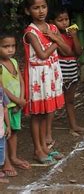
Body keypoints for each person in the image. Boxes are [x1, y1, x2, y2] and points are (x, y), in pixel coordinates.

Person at [23, 0, 69, 164]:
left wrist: (57, 39)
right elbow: (42, 55)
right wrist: (56, 41)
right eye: (36, 8)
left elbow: (67, 50)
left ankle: (45, 147)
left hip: (51, 74)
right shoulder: (30, 32)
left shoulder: (52, 28)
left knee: (47, 112)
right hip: (38, 77)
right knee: (37, 114)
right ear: (28, 11)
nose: (41, 11)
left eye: (43, 7)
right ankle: (37, 150)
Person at [51, 8, 84, 134]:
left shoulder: (70, 35)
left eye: (66, 19)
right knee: (53, 102)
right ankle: (47, 131)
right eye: (60, 20)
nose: (64, 23)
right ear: (53, 22)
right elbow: (65, 52)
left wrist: (75, 36)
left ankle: (73, 125)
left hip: (72, 72)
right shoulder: (53, 36)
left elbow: (78, 52)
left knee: (70, 100)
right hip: (59, 72)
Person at [0, 31, 30, 176]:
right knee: (4, 133)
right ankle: (6, 162)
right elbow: (2, 88)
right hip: (4, 106)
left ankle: (13, 156)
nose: (10, 49)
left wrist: (22, 98)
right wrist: (17, 100)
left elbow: (21, 81)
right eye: (6, 46)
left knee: (14, 131)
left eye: (13, 46)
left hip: (16, 104)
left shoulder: (14, 62)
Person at [0, 82, 11, 182]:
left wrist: (8, 125)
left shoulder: (1, 91)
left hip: (1, 129)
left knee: (1, 149)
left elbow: (5, 109)